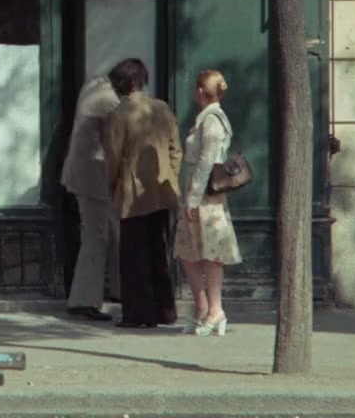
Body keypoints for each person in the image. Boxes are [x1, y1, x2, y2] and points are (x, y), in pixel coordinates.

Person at [103, 58, 183, 328]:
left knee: (133, 255)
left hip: (132, 192)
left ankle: (139, 314)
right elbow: (175, 149)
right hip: (161, 190)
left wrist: (112, 186)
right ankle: (165, 310)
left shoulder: (118, 114)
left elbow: (113, 157)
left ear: (121, 84)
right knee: (157, 250)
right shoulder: (161, 107)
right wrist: (169, 174)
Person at [173, 69, 243, 336]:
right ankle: (202, 308)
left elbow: (206, 161)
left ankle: (215, 310)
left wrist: (193, 198)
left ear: (201, 91)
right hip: (195, 191)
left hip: (205, 196)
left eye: (195, 86)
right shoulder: (205, 117)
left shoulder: (212, 120)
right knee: (188, 250)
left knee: (211, 253)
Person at [59, 68, 122, 322]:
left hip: (85, 176)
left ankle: (114, 289)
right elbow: (123, 126)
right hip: (93, 179)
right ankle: (84, 300)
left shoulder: (94, 86)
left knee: (110, 232)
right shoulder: (108, 99)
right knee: (96, 236)